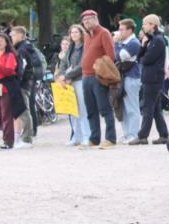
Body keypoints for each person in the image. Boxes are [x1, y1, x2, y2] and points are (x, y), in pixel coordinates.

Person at [80, 10, 118, 149]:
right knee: (90, 110)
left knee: (105, 108)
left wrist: (100, 70)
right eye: (84, 21)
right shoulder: (87, 36)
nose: (86, 22)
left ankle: (110, 138)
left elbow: (111, 56)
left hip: (98, 76)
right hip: (86, 76)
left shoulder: (104, 33)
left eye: (89, 19)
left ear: (96, 19)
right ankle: (94, 138)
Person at [130, 15, 169, 145]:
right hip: (150, 77)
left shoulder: (158, 40)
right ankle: (163, 135)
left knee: (148, 107)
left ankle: (142, 136)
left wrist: (144, 49)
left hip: (153, 78)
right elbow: (140, 57)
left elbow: (146, 59)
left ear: (153, 25)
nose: (143, 26)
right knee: (156, 109)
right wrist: (143, 45)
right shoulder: (152, 40)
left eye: (145, 24)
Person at [56, 26, 91, 147]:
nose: (74, 34)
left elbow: (82, 65)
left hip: (80, 80)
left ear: (81, 33)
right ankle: (77, 136)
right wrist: (61, 75)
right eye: (72, 32)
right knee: (72, 111)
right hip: (69, 82)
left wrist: (66, 75)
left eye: (76, 32)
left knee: (82, 110)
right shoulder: (70, 47)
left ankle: (87, 136)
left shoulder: (85, 47)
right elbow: (64, 63)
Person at [115, 19, 143, 143]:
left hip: (132, 77)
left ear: (130, 30)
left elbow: (119, 56)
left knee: (132, 107)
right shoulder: (124, 42)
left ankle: (134, 134)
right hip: (123, 77)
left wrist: (115, 43)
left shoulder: (134, 43)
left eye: (122, 29)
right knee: (124, 108)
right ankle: (126, 133)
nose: (119, 32)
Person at [9, 27, 37, 148]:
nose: (11, 37)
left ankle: (27, 138)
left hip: (22, 84)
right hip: (27, 83)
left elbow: (22, 69)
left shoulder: (22, 49)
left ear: (20, 35)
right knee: (25, 110)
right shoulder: (27, 47)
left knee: (24, 111)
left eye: (13, 35)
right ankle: (26, 137)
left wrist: (16, 83)